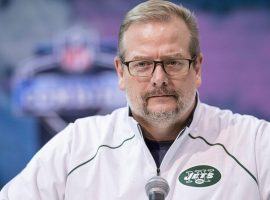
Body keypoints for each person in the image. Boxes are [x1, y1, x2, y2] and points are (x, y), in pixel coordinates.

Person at [1, 0, 270, 199]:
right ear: (120, 72)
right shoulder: (75, 146)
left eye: (173, 62)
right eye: (142, 64)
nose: (158, 78)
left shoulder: (255, 144)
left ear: (197, 68)